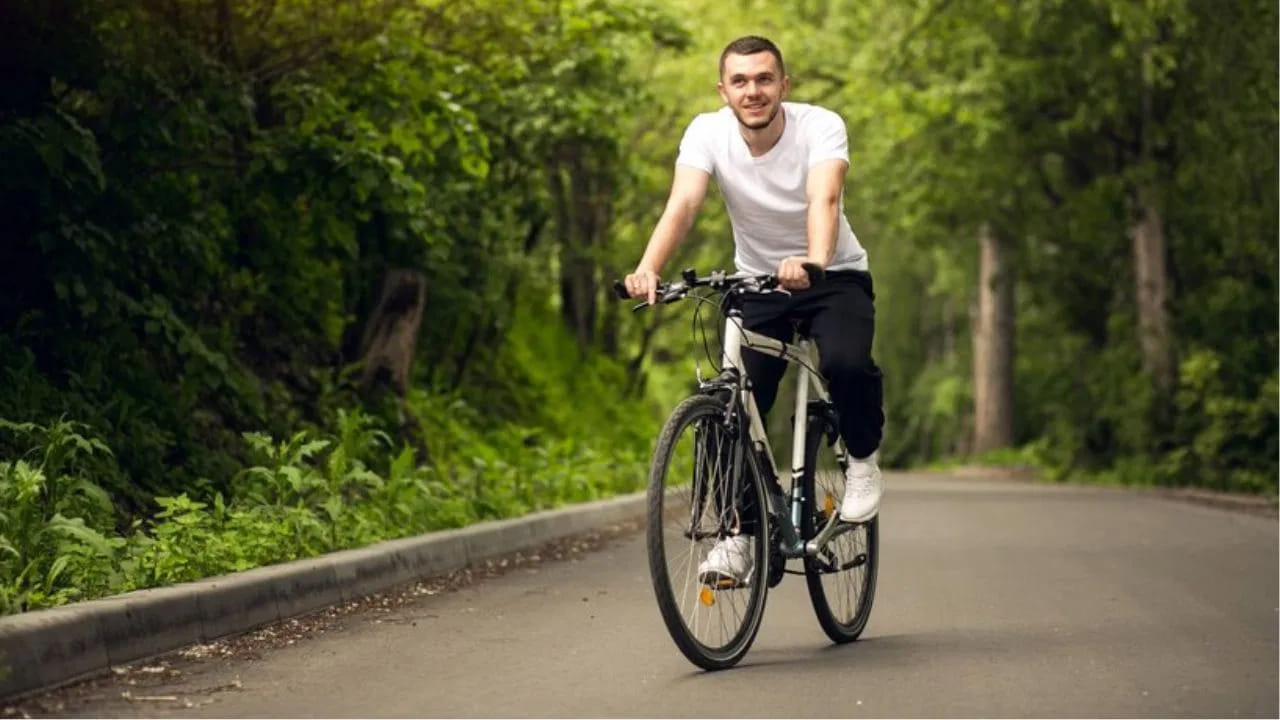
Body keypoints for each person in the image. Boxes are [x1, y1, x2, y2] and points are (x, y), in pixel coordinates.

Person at [622, 35, 885, 586]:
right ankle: (738, 534)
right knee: (730, 408)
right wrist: (647, 267)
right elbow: (685, 202)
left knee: (845, 365)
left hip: (831, 275)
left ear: (783, 86)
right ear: (724, 91)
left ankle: (861, 461)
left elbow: (825, 198)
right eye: (740, 81)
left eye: (765, 79)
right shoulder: (707, 132)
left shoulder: (820, 125)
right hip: (757, 282)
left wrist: (813, 261)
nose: (753, 91)